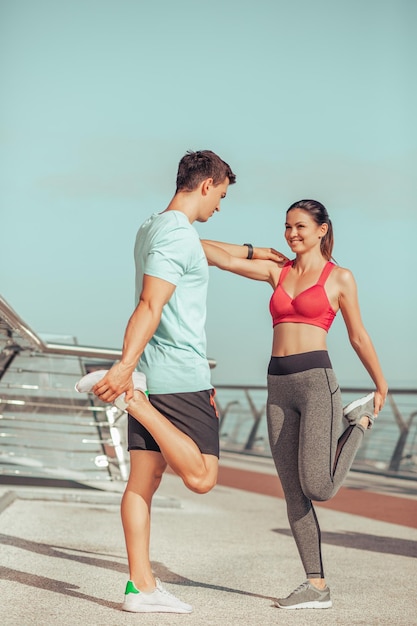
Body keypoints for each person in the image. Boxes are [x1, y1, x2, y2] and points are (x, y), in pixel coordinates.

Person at [75, 150, 285, 614]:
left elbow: (207, 253)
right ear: (206, 185)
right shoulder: (176, 236)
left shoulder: (156, 228)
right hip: (178, 377)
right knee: (204, 476)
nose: (220, 207)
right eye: (222, 196)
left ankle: (140, 588)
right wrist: (124, 369)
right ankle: (135, 402)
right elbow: (151, 304)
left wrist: (252, 252)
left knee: (142, 483)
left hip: (156, 370)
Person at [201, 199, 388, 610]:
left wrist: (380, 382)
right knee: (292, 492)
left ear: (322, 230)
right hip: (277, 387)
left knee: (317, 485)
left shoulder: (339, 278)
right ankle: (316, 585)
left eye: (301, 226)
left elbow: (358, 335)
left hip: (317, 384)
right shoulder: (277, 271)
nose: (291, 234)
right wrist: (254, 251)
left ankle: (357, 423)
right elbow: (208, 254)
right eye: (287, 227)